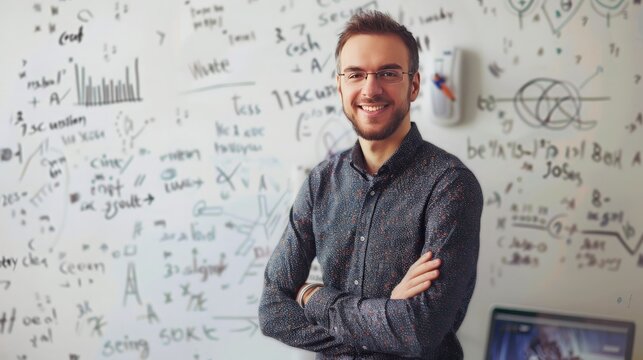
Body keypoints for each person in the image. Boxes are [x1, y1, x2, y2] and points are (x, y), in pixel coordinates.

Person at [259, 10, 483, 359]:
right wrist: (383, 321)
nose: (370, 88)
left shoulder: (450, 186)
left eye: (388, 73)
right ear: (339, 85)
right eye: (355, 74)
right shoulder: (321, 183)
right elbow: (272, 312)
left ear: (414, 84)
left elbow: (417, 331)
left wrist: (311, 296)